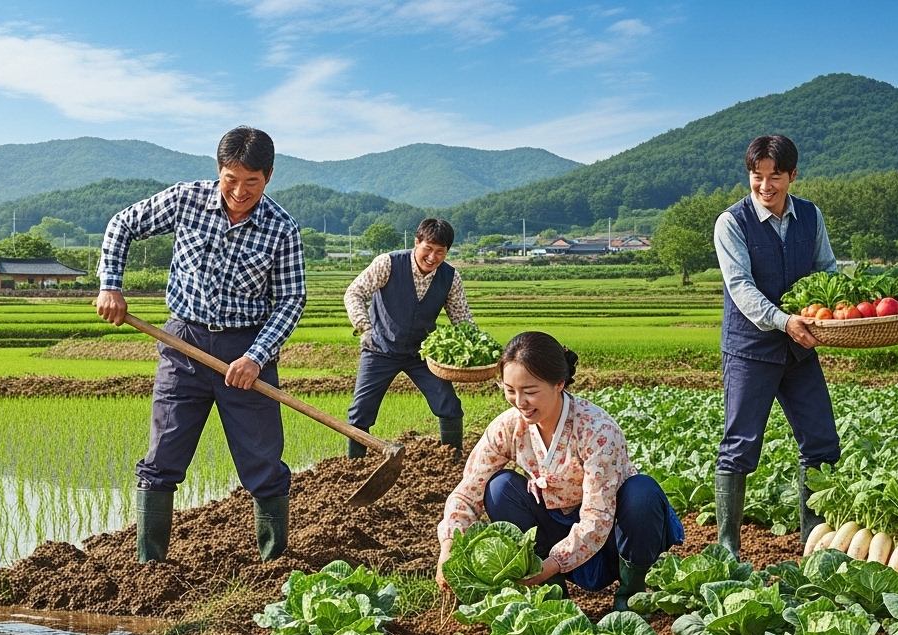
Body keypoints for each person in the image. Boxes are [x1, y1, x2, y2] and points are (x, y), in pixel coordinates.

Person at [95, 126, 305, 563]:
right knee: (162, 458)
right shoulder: (187, 199)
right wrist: (110, 286)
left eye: (252, 182)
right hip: (183, 344)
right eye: (232, 179)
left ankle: (274, 563)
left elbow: (290, 300)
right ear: (219, 170)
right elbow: (122, 225)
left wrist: (256, 356)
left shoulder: (282, 228)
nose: (240, 191)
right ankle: (149, 565)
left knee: (263, 464)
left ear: (268, 177)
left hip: (245, 353)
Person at [435, 332, 683, 610]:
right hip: (554, 528)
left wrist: (554, 563)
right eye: (509, 390)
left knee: (642, 492)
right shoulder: (507, 428)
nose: (520, 402)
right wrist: (448, 547)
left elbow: (597, 517)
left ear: (559, 384)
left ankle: (632, 596)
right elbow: (468, 493)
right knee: (499, 488)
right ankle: (551, 599)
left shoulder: (597, 430)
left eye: (530, 391)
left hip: (614, 533)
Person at [713, 135, 840, 558]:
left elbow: (827, 271)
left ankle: (814, 541)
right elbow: (741, 289)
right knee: (741, 443)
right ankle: (728, 546)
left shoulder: (810, 215)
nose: (766, 186)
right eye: (757, 177)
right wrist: (786, 321)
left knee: (821, 441)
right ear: (749, 176)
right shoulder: (731, 223)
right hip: (752, 349)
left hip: (800, 349)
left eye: (775, 177)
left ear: (792, 176)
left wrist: (838, 311)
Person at [343, 217, 471, 459]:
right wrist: (364, 327)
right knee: (361, 411)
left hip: (421, 353)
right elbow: (354, 293)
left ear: (447, 252)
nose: (433, 257)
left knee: (449, 404)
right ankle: (353, 467)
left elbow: (462, 319)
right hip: (379, 349)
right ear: (416, 243)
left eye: (440, 252)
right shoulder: (388, 264)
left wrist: (476, 351)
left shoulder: (450, 278)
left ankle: (453, 462)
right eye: (428, 249)